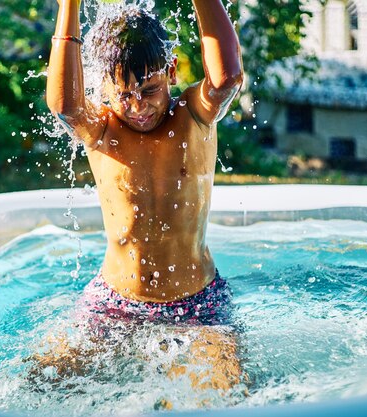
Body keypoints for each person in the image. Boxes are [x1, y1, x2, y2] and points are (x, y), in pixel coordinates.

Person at [44, 0, 244, 392]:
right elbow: (65, 105)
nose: (137, 106)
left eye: (149, 90)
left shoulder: (192, 115)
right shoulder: (101, 130)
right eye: (123, 94)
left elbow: (225, 80)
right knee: (40, 382)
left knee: (231, 393)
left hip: (196, 304)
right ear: (104, 86)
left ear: (170, 71)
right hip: (114, 303)